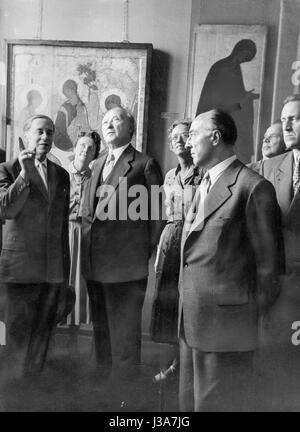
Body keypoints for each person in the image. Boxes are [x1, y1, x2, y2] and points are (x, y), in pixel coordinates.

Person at [179, 109, 284, 411]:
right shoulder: (204, 183)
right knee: (189, 404)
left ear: (215, 137)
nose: (188, 143)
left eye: (193, 135)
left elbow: (269, 269)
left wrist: (243, 321)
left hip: (225, 329)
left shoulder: (252, 187)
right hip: (191, 320)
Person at [81, 106, 164, 408]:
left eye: (117, 119)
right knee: (101, 329)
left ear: (130, 127)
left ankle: (125, 399)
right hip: (94, 264)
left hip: (126, 267)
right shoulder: (97, 164)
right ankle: (102, 390)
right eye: (105, 121)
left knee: (125, 335)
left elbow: (156, 214)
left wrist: (143, 254)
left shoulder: (143, 164)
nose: (109, 124)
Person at [0, 114, 70, 380]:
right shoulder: (6, 169)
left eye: (50, 132)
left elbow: (62, 229)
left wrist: (64, 273)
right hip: (19, 271)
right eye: (39, 131)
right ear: (26, 134)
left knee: (43, 337)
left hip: (51, 272)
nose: (45, 137)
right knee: (15, 338)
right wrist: (25, 174)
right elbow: (6, 209)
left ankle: (34, 390)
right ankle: (13, 397)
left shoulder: (61, 175)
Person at [150, 119, 203, 374]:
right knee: (169, 299)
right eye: (174, 138)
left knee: (187, 300)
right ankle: (175, 361)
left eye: (184, 136)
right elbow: (165, 214)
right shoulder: (170, 175)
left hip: (193, 238)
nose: (178, 141)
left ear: (192, 139)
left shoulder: (202, 173)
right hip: (170, 237)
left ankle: (187, 365)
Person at [260, 94, 300, 349]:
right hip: (276, 290)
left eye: (294, 119)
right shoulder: (268, 168)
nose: (286, 127)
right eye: (283, 119)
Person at [196, 39, 259, 163]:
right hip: (220, 118)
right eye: (245, 56)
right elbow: (218, 101)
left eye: (247, 59)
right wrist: (243, 99)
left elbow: (234, 94)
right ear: (239, 51)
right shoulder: (223, 67)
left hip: (230, 116)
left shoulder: (234, 67)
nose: (244, 60)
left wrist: (246, 96)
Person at [67, 131, 101, 349]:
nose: (85, 150)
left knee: (79, 286)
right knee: (60, 282)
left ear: (95, 154)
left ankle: (73, 339)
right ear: (74, 148)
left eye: (90, 148)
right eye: (82, 146)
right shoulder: (62, 174)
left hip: (86, 234)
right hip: (64, 231)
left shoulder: (96, 179)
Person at [54, 79, 90, 152]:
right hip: (67, 144)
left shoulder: (80, 107)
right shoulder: (66, 107)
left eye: (65, 91)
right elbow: (59, 129)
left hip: (77, 144)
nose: (65, 94)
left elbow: (85, 127)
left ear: (70, 90)